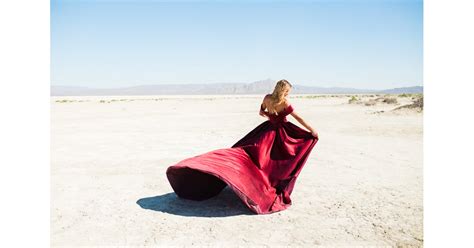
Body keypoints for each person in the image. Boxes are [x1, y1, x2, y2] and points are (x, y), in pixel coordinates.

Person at [166, 79, 319, 215]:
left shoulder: (267, 98)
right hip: (280, 133)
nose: (288, 94)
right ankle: (266, 185)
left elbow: (261, 112)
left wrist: (271, 117)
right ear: (283, 90)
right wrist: (312, 130)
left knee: (251, 154)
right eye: (287, 91)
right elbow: (298, 117)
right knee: (276, 161)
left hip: (265, 130)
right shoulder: (285, 103)